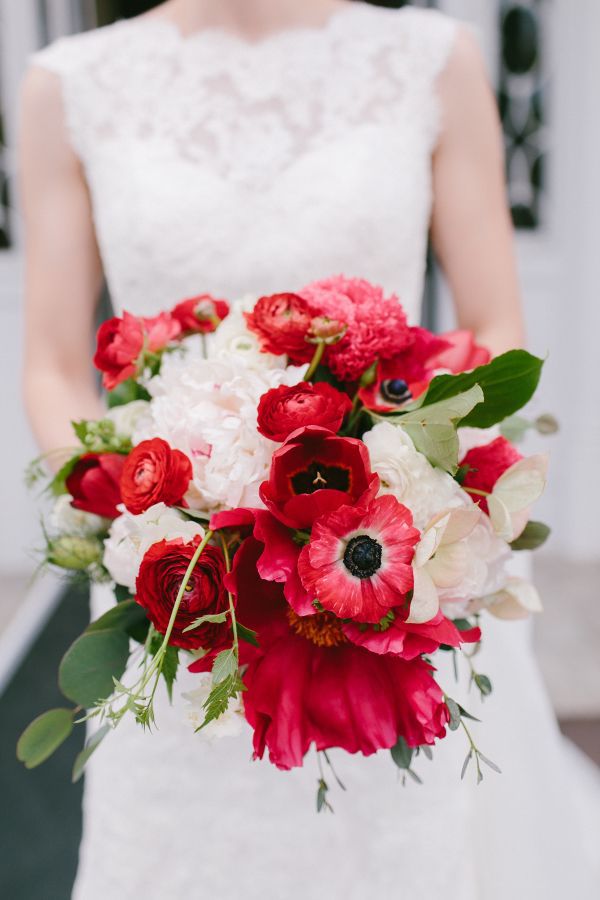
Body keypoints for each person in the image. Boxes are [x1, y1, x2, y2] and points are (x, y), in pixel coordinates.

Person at [19, 1, 599, 897]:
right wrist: (150, 513)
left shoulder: (432, 59)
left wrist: (423, 490)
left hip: (387, 562)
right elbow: (55, 363)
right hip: (180, 577)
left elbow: (490, 325)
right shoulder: (71, 85)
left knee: (399, 836)